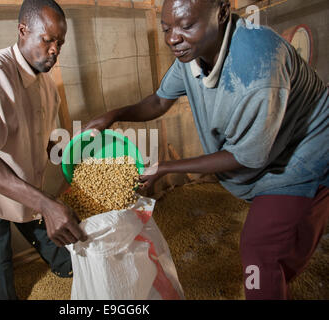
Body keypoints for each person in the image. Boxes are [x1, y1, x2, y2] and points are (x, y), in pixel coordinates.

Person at [83, 0, 328, 299]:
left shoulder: (257, 68)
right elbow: (160, 100)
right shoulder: (193, 54)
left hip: (302, 153)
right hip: (267, 150)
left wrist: (168, 167)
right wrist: (114, 114)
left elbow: (246, 157)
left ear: (223, 12)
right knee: (279, 248)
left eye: (186, 26)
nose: (173, 38)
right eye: (166, 28)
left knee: (260, 249)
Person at [0, 0, 87, 300]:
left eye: (60, 42)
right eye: (47, 39)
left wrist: (78, 157)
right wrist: (48, 205)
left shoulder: (47, 86)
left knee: (39, 224)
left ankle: (69, 267)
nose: (55, 50)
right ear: (23, 30)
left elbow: (46, 140)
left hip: (20, 176)